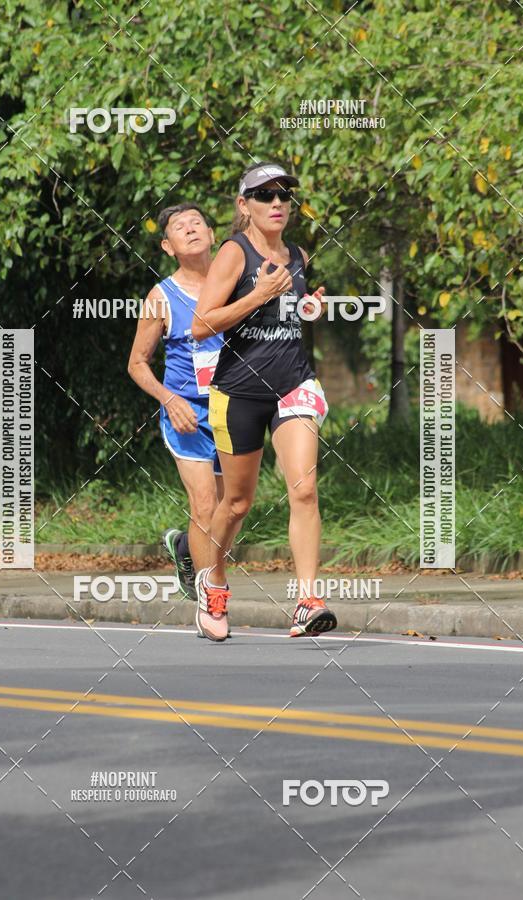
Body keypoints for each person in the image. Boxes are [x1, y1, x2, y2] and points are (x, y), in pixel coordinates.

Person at [191, 161, 338, 642]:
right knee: (236, 502)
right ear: (244, 206)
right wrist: (257, 295)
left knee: (304, 490)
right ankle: (213, 583)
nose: (277, 203)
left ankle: (306, 601)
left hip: (293, 383)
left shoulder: (297, 253)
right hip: (239, 392)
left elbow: (287, 314)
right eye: (265, 195)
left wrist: (305, 305)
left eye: (284, 195)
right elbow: (201, 324)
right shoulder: (234, 253)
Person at [128, 203, 224, 602]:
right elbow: (137, 364)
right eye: (179, 227)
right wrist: (169, 400)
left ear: (213, 235)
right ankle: (211, 599)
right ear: (168, 246)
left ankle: (185, 547)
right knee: (205, 506)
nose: (190, 229)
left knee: (228, 510)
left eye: (197, 223)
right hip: (187, 415)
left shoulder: (236, 284)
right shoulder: (160, 296)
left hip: (234, 410)